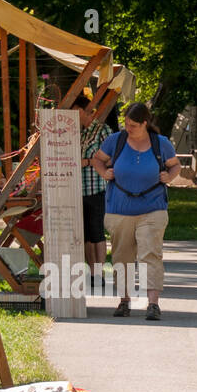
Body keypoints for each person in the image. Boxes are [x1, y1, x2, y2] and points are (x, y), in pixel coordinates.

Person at [91, 102, 183, 320]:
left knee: (150, 254)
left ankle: (153, 304)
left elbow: (175, 165)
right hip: (119, 209)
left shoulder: (160, 143)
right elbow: (97, 160)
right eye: (126, 123)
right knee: (122, 257)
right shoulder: (116, 141)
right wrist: (104, 173)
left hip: (153, 208)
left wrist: (169, 177)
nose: (128, 128)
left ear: (144, 123)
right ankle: (124, 300)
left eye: (132, 125)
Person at [76, 94, 112, 272]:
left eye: (76, 111)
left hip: (97, 187)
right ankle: (91, 271)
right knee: (86, 233)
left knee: (97, 231)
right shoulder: (80, 132)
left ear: (84, 111)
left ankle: (99, 271)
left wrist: (88, 162)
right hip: (80, 188)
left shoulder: (102, 130)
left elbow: (111, 158)